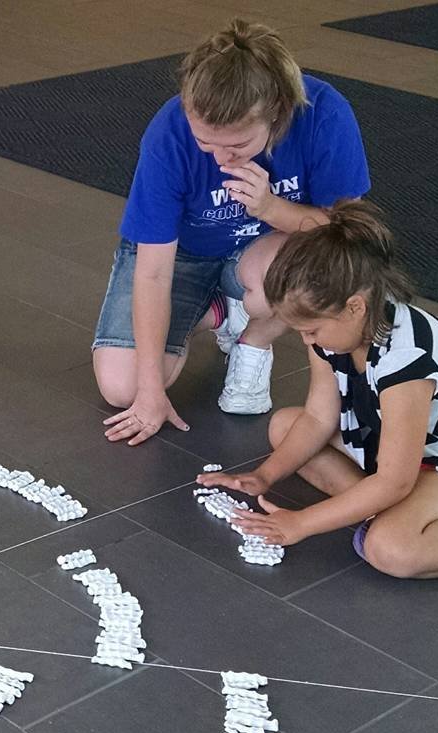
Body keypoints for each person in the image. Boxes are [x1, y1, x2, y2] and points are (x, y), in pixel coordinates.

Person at [95, 19, 370, 446]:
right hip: (183, 253)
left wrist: (271, 208)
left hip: (266, 248)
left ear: (277, 112)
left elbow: (353, 235)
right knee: (122, 387)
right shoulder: (168, 134)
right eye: (206, 144)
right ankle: (221, 310)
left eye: (238, 146)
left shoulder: (324, 114)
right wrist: (150, 394)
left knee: (326, 268)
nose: (222, 158)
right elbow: (152, 273)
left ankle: (255, 336)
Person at [197, 201, 438, 579]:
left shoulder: (406, 359)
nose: (306, 339)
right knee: (286, 427)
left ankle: (395, 510)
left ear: (354, 308)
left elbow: (397, 478)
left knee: (390, 548)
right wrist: (265, 476)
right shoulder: (333, 336)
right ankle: (383, 505)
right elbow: (317, 418)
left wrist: (301, 523)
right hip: (401, 449)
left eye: (311, 330)